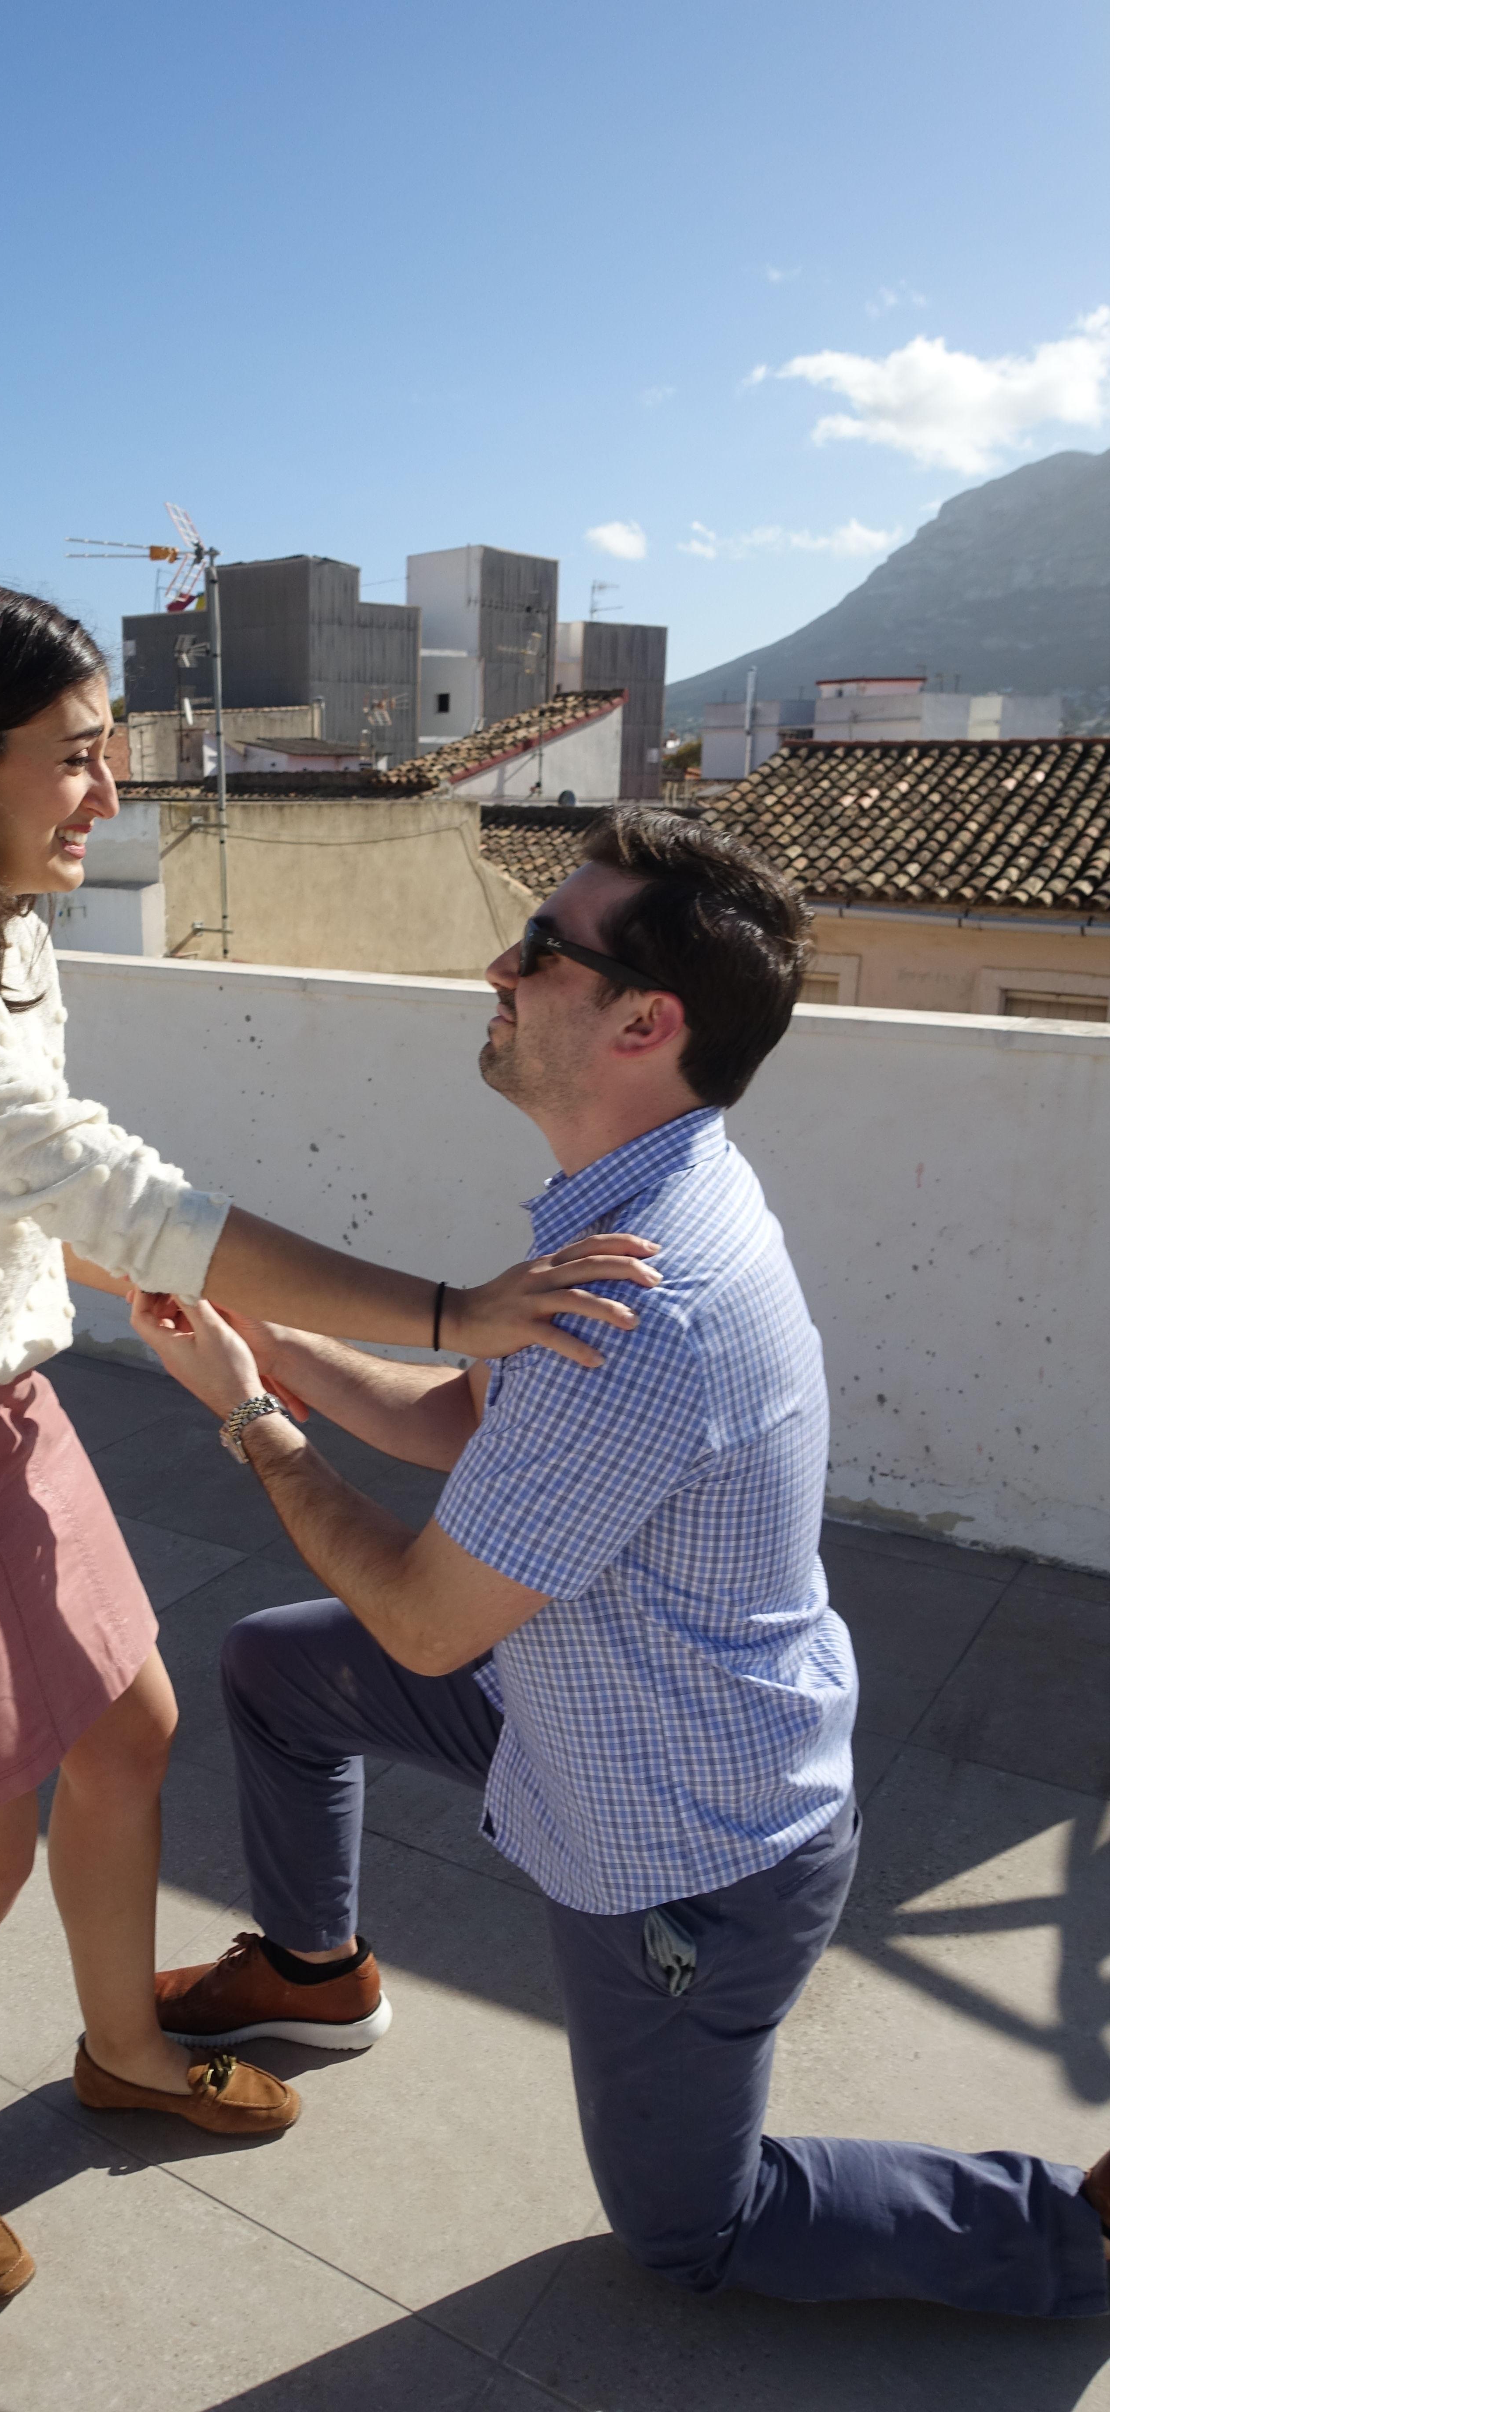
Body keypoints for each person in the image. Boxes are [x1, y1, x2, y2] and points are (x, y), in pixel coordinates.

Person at [0, 581, 658, 2304]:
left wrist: (96, 1270)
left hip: (3, 1410)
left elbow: (33, 1188)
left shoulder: (10, 941)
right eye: (75, 759)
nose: (109, 798)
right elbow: (116, 1190)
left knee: (132, 1730)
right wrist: (454, 1312)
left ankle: (123, 2044)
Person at [129, 806, 1111, 2319]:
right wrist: (294, 1351)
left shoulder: (645, 1305)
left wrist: (253, 1420)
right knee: (280, 1668)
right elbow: (472, 1415)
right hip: (578, 1695)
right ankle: (314, 1976)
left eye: (539, 950)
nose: (496, 966)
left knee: (690, 2233)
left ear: (647, 1021)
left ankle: (1085, 2234)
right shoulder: (641, 1208)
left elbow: (429, 1622)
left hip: (688, 1837)